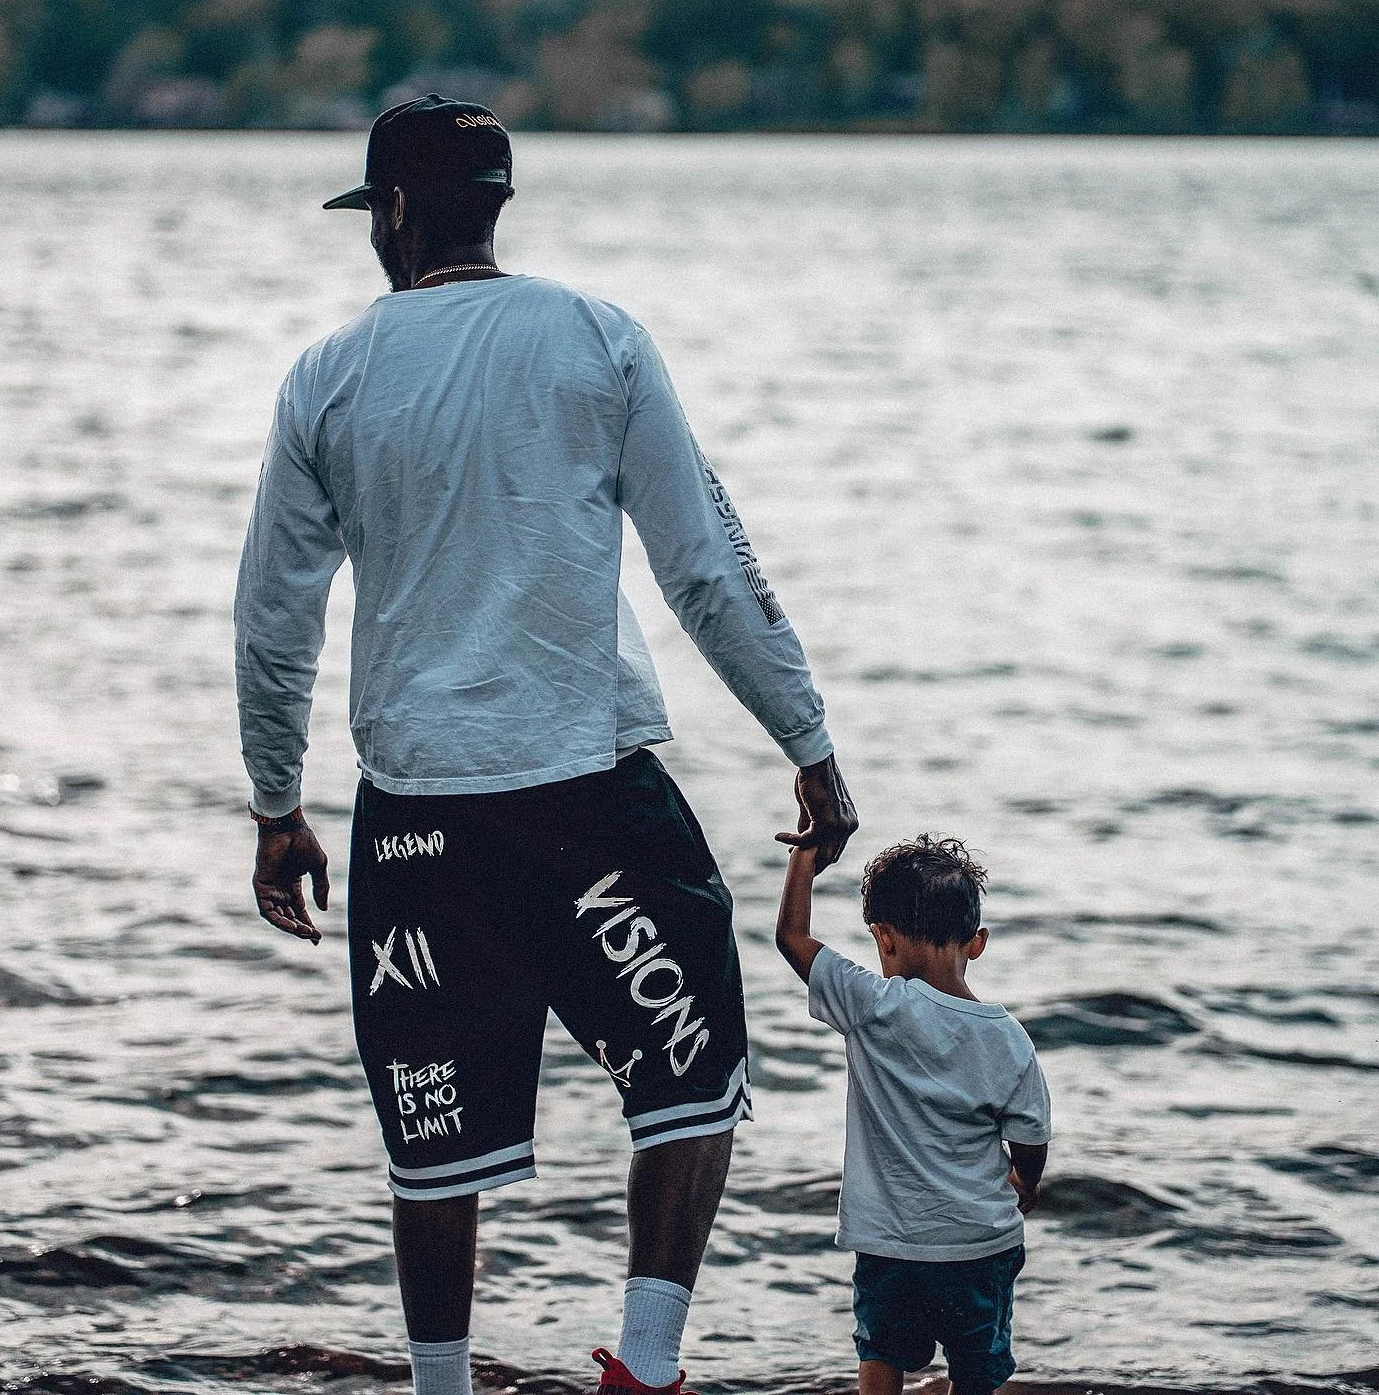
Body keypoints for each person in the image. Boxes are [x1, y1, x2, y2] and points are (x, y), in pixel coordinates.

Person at [233, 94, 858, 1395]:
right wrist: (805, 737)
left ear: (393, 213)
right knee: (692, 1077)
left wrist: (277, 804)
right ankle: (646, 1362)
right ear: (498, 204)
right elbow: (706, 567)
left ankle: (442, 1386)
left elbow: (275, 613)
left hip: (418, 812)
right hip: (590, 796)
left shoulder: (328, 377)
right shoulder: (598, 339)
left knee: (434, 1137)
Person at [774, 834, 1050, 1395]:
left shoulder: (871, 1005)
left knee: (882, 1354)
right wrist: (1025, 1180)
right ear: (977, 942)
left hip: (890, 1245)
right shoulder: (1008, 1039)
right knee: (976, 1369)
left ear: (884, 937)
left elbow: (792, 938)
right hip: (980, 1245)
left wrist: (805, 855)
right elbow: (1031, 1138)